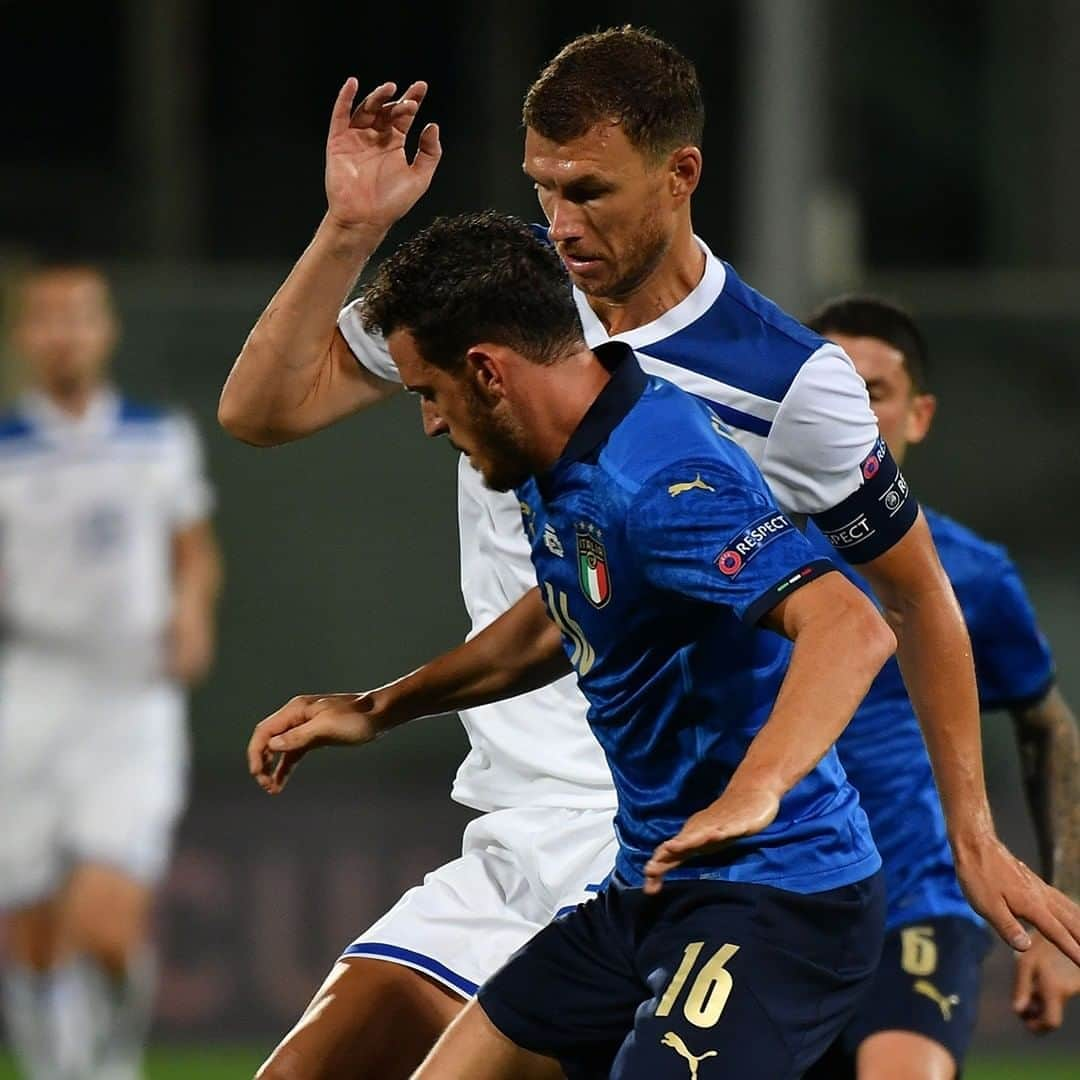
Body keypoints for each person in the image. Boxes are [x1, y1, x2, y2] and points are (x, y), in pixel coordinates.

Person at [218, 27, 1080, 1079]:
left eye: (589, 191)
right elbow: (262, 412)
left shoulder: (785, 384)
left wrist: (972, 834)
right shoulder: (510, 304)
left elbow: (909, 601)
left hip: (672, 830)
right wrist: (352, 227)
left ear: (681, 176)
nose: (560, 222)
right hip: (521, 815)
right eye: (543, 188)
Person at [250, 209, 898, 1079]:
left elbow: (852, 625)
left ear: (485, 373)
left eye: (426, 394)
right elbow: (559, 612)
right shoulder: (562, 455)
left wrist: (758, 790)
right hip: (646, 890)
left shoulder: (661, 479)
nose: (430, 424)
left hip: (773, 897)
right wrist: (379, 708)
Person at [800, 297, 1080, 1080]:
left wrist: (1056, 917)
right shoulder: (740, 548)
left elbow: (1048, 725)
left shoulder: (972, 574)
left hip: (915, 899)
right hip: (773, 902)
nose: (853, 415)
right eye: (832, 392)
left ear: (917, 416)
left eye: (876, 394)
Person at [0, 265, 222, 1080]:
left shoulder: (156, 438)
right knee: (27, 925)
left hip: (130, 695)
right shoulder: (6, 451)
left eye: (80, 317)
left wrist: (192, 612)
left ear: (105, 330)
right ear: (26, 336)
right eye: (48, 319)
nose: (64, 334)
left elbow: (193, 551)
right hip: (32, 687)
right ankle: (56, 1067)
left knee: (104, 923)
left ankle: (111, 1063)